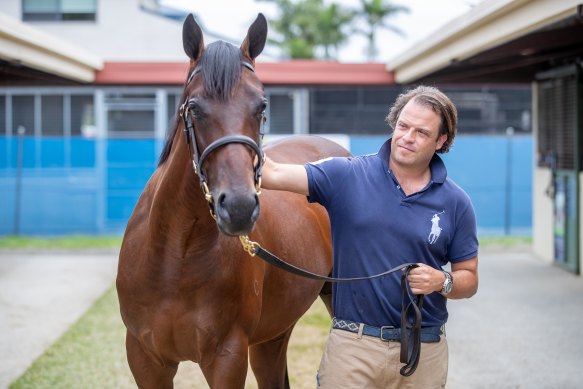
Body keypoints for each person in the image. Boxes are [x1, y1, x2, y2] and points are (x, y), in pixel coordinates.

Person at [261, 85, 479, 388]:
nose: (407, 137)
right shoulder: (346, 176)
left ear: (441, 141)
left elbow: (468, 279)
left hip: (423, 350)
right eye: (403, 125)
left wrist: (442, 282)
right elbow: (272, 174)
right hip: (353, 347)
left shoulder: (456, 203)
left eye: (421, 132)